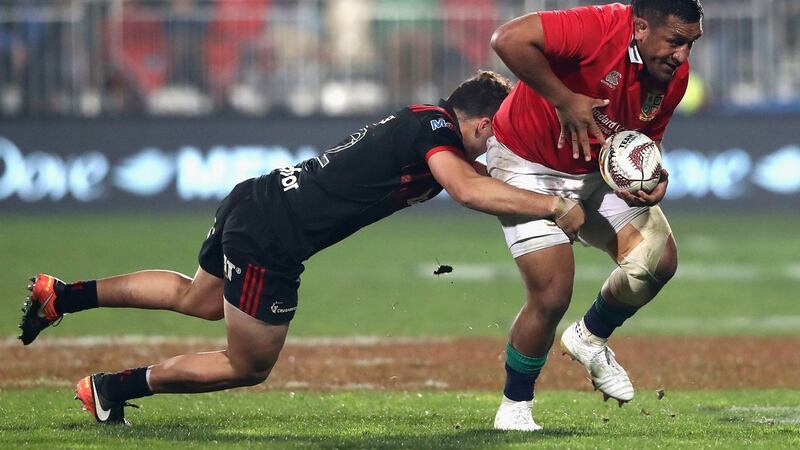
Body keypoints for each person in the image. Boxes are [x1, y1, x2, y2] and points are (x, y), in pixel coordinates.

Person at [18, 71, 585, 425]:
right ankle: (111, 389)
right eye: (501, 129)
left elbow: (478, 181)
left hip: (258, 198)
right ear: (484, 123)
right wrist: (554, 207)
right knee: (248, 364)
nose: (500, 142)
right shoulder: (434, 129)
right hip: (273, 238)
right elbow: (468, 189)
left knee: (198, 298)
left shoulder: (423, 124)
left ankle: (63, 297)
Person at [487, 0, 703, 431]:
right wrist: (564, 99)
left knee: (657, 261)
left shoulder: (672, 77)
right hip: (527, 165)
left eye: (691, 44)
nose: (683, 56)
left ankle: (589, 337)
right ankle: (514, 407)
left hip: (591, 170)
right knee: (551, 294)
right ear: (640, 26)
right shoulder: (597, 28)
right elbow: (507, 39)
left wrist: (648, 178)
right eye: (676, 42)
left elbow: (640, 141)